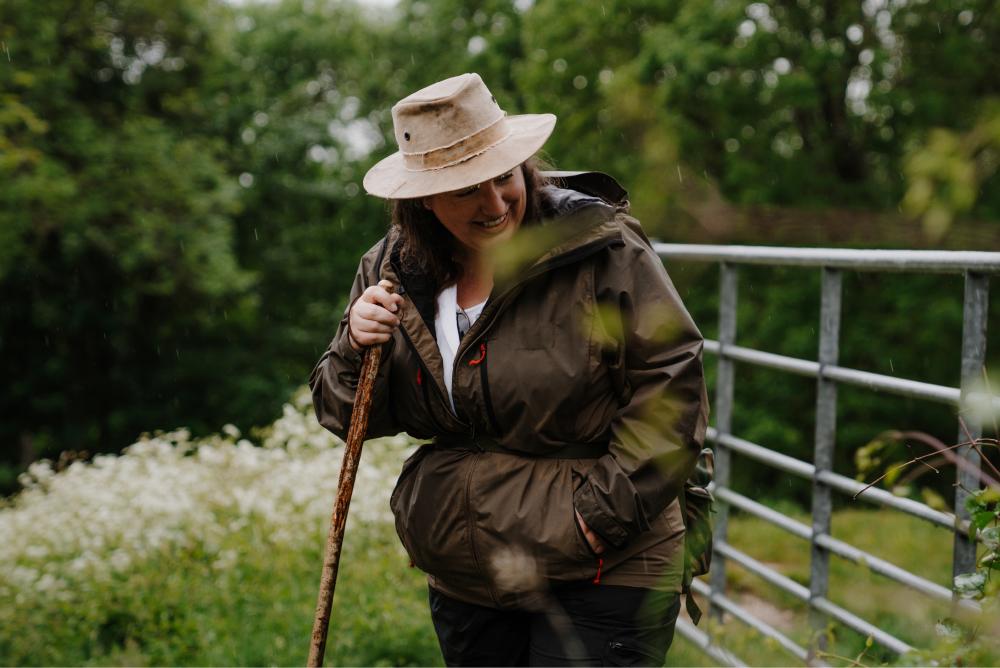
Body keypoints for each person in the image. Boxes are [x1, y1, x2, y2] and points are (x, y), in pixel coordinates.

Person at [310, 73, 708, 667]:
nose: (495, 204)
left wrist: (598, 516)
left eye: (503, 176)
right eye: (466, 189)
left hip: (606, 564)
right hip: (469, 575)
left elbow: (670, 380)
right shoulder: (393, 270)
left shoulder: (602, 249)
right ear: (423, 199)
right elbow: (348, 417)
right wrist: (354, 342)